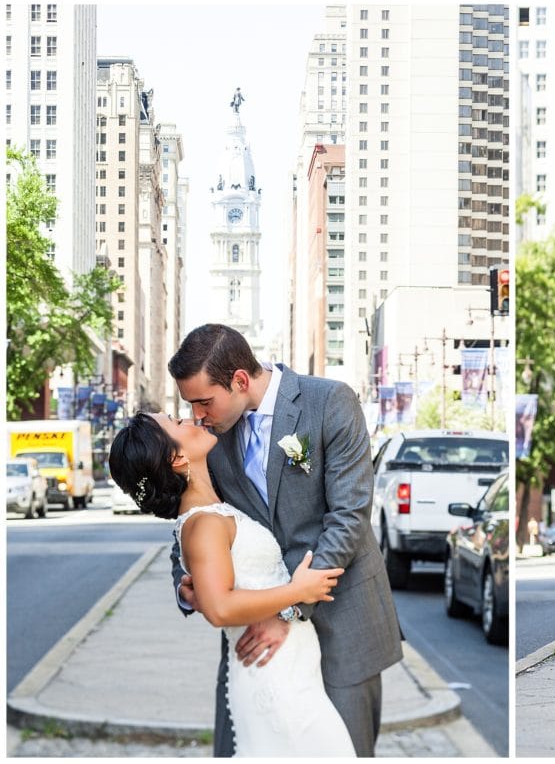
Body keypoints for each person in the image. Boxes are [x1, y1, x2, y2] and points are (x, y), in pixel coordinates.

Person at [167, 324, 403, 757]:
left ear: (240, 380)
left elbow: (349, 517)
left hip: (343, 623)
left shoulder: (330, 401)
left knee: (342, 752)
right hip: (253, 641)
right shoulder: (208, 439)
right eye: (190, 405)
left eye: (204, 401)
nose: (198, 415)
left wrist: (289, 611)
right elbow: (194, 516)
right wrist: (188, 579)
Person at [108, 413, 355, 756]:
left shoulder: (212, 511)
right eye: (176, 423)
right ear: (176, 457)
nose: (188, 417)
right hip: (274, 681)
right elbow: (220, 609)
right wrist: (297, 593)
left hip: (293, 673)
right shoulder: (204, 524)